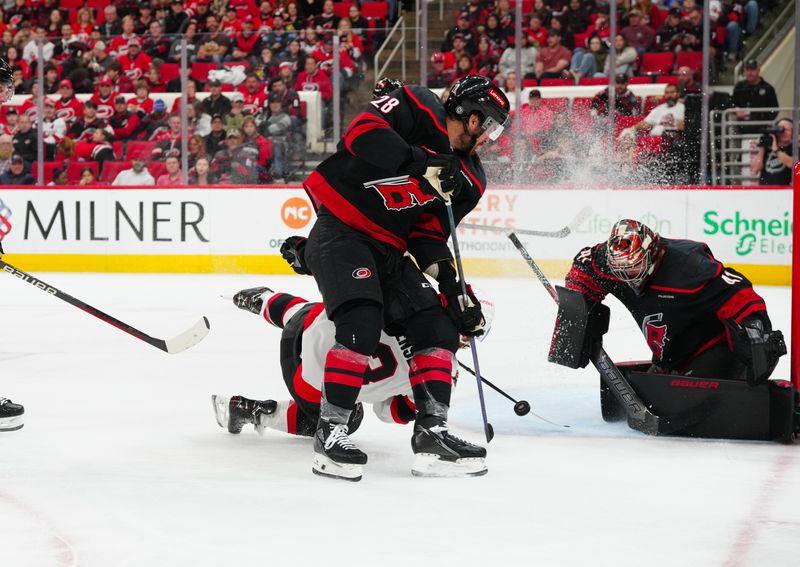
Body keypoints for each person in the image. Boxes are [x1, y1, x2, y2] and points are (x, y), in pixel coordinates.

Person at [284, 76, 510, 481]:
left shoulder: (471, 179)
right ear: (472, 117)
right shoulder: (417, 105)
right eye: (490, 126)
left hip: (390, 250)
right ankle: (330, 432)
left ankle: (432, 433)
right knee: (360, 324)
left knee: (436, 325)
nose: (491, 139)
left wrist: (453, 289)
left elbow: (427, 235)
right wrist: (419, 162)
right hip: (341, 231)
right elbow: (361, 134)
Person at [550, 219, 792, 440]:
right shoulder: (613, 262)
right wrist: (579, 305)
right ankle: (670, 367)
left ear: (652, 253)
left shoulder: (689, 266)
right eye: (620, 270)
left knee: (692, 395)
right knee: (669, 389)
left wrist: (754, 327)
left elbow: (738, 293)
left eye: (633, 268)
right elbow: (584, 265)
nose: (627, 276)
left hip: (713, 346)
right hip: (672, 351)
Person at [212, 285, 495, 438]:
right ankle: (251, 410)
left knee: (327, 314)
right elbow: (387, 413)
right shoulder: (442, 373)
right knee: (349, 416)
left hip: (302, 325)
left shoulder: (414, 296)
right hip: (305, 381)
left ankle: (261, 299)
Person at [732, 59, 779, 134]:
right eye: (747, 69)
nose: (750, 73)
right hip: (741, 129)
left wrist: (754, 115)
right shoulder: (739, 87)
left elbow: (774, 110)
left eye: (753, 70)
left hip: (762, 130)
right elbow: (733, 103)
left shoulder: (768, 88)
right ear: (744, 71)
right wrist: (736, 111)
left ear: (758, 70)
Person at [751, 118, 795, 186]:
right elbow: (755, 169)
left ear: (793, 132)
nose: (784, 132)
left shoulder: (795, 148)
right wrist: (762, 147)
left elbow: (792, 164)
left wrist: (776, 150)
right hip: (765, 189)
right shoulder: (768, 147)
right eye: (781, 129)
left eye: (787, 130)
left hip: (785, 191)